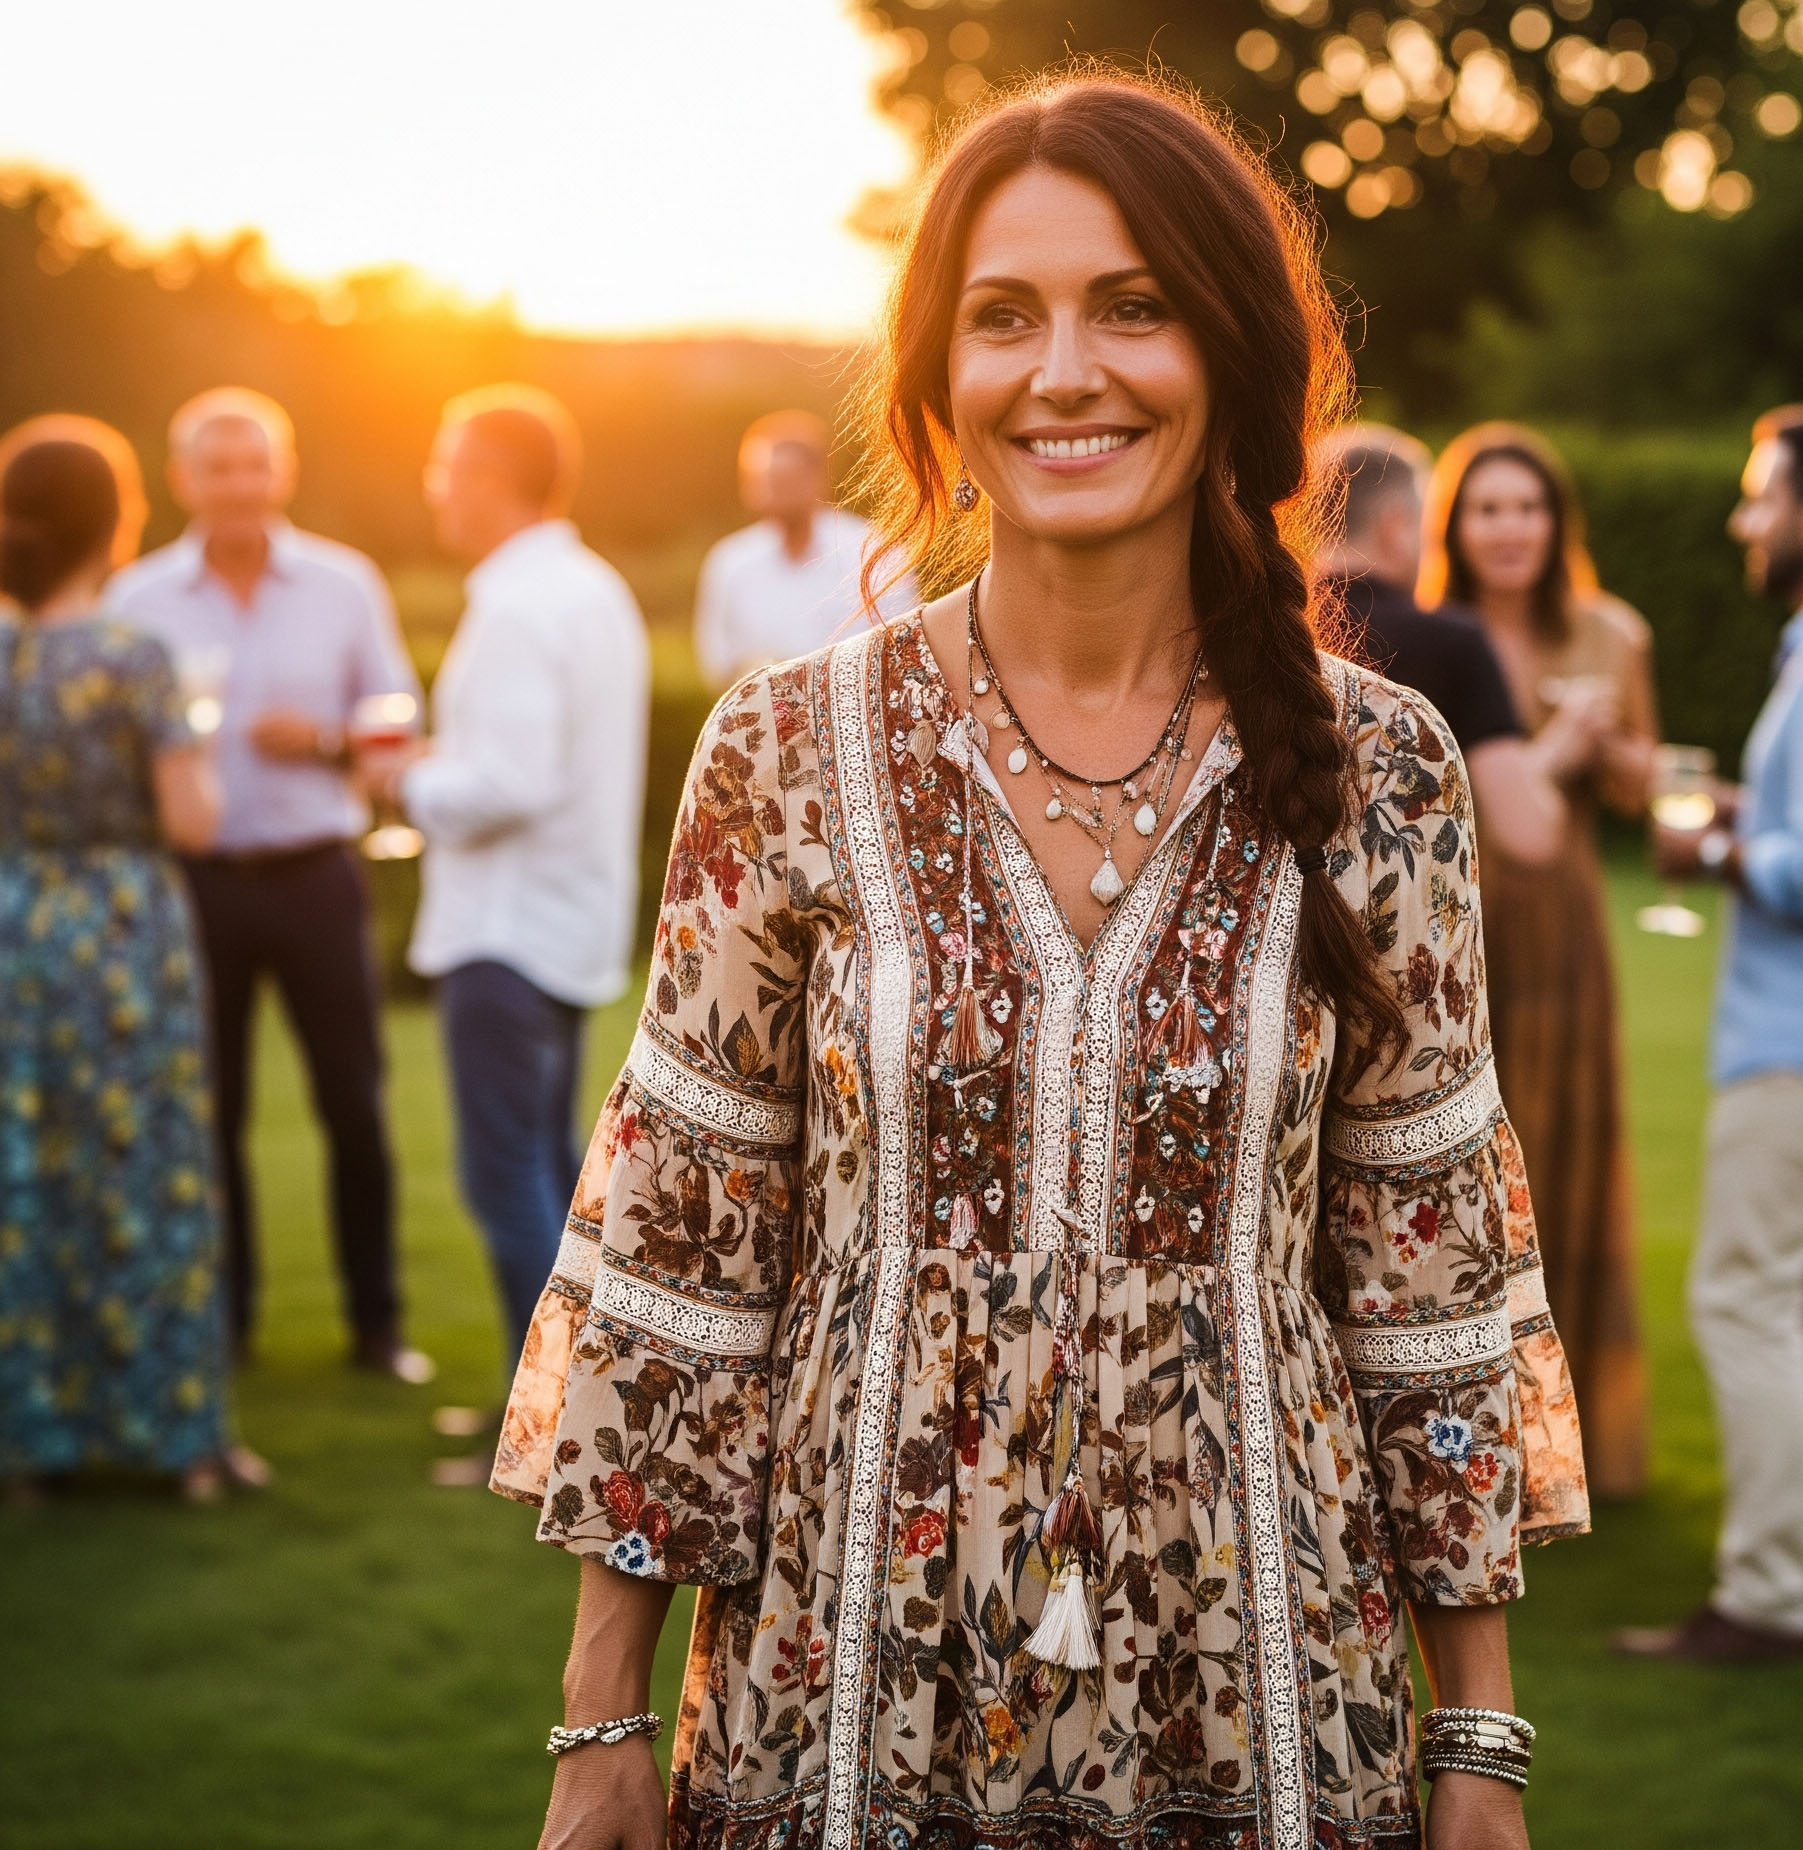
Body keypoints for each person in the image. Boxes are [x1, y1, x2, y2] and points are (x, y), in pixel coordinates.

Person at [494, 75, 1587, 1850]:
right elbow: (684, 1258)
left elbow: (1432, 1274)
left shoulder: (1381, 768)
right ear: (938, 377)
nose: (1064, 371)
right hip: (843, 1666)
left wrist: (1479, 1739)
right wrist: (600, 1714)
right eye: (1004, 317)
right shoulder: (785, 748)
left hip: (1263, 1672)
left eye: (1130, 307)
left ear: (1230, 352)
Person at [110, 389, 431, 1383]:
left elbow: (398, 719)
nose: (240, 484)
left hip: (315, 875)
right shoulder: (137, 599)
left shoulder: (344, 583)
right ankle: (229, 1322)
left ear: (282, 471)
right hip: (194, 884)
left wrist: (325, 740)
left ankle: (377, 1325)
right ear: (183, 480)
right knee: (211, 1110)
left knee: (353, 1103)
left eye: (256, 464)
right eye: (220, 467)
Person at [360, 386, 650, 1407]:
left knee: (505, 1178)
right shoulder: (592, 587)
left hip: (505, 930)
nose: (435, 487)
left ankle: (545, 1417)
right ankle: (575, 1407)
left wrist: (403, 784)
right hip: (566, 921)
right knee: (550, 1173)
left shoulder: (519, 605)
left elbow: (510, 784)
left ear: (488, 478)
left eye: (445, 467)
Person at [1616, 407, 1803, 1662]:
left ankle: (1762, 1593)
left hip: (1798, 1042)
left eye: (1760, 495)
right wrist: (1738, 808)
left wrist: (1708, 848)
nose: (1740, 518)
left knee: (1741, 1300)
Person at [0, 417, 261, 1501]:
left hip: (16, 924)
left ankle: (32, 1440)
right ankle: (177, 1436)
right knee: (149, 1167)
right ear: (117, 523)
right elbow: (193, 820)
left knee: (31, 1172)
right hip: (119, 931)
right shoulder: (132, 656)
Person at [1419, 422, 1657, 1502]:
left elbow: (1646, 787)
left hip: (1560, 921)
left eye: (1528, 507)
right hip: (1457, 925)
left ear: (1557, 522)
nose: (1509, 527)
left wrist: (1607, 747)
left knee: (1561, 1144)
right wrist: (1550, 756)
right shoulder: (1437, 637)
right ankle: (1468, 1434)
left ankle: (1573, 1437)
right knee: (1470, 1162)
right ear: (1454, 526)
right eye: (1487, 508)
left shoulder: (1611, 631)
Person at [1318, 425, 1611, 868]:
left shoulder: (1258, 626)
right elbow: (1527, 835)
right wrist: (1557, 752)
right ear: (1395, 526)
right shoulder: (1451, 641)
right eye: (1428, 530)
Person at [692, 409, 916, 691]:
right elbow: (719, 663)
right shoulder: (731, 562)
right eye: (766, 479)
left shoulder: (874, 552)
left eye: (786, 479)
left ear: (818, 477)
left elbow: (901, 648)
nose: (775, 491)